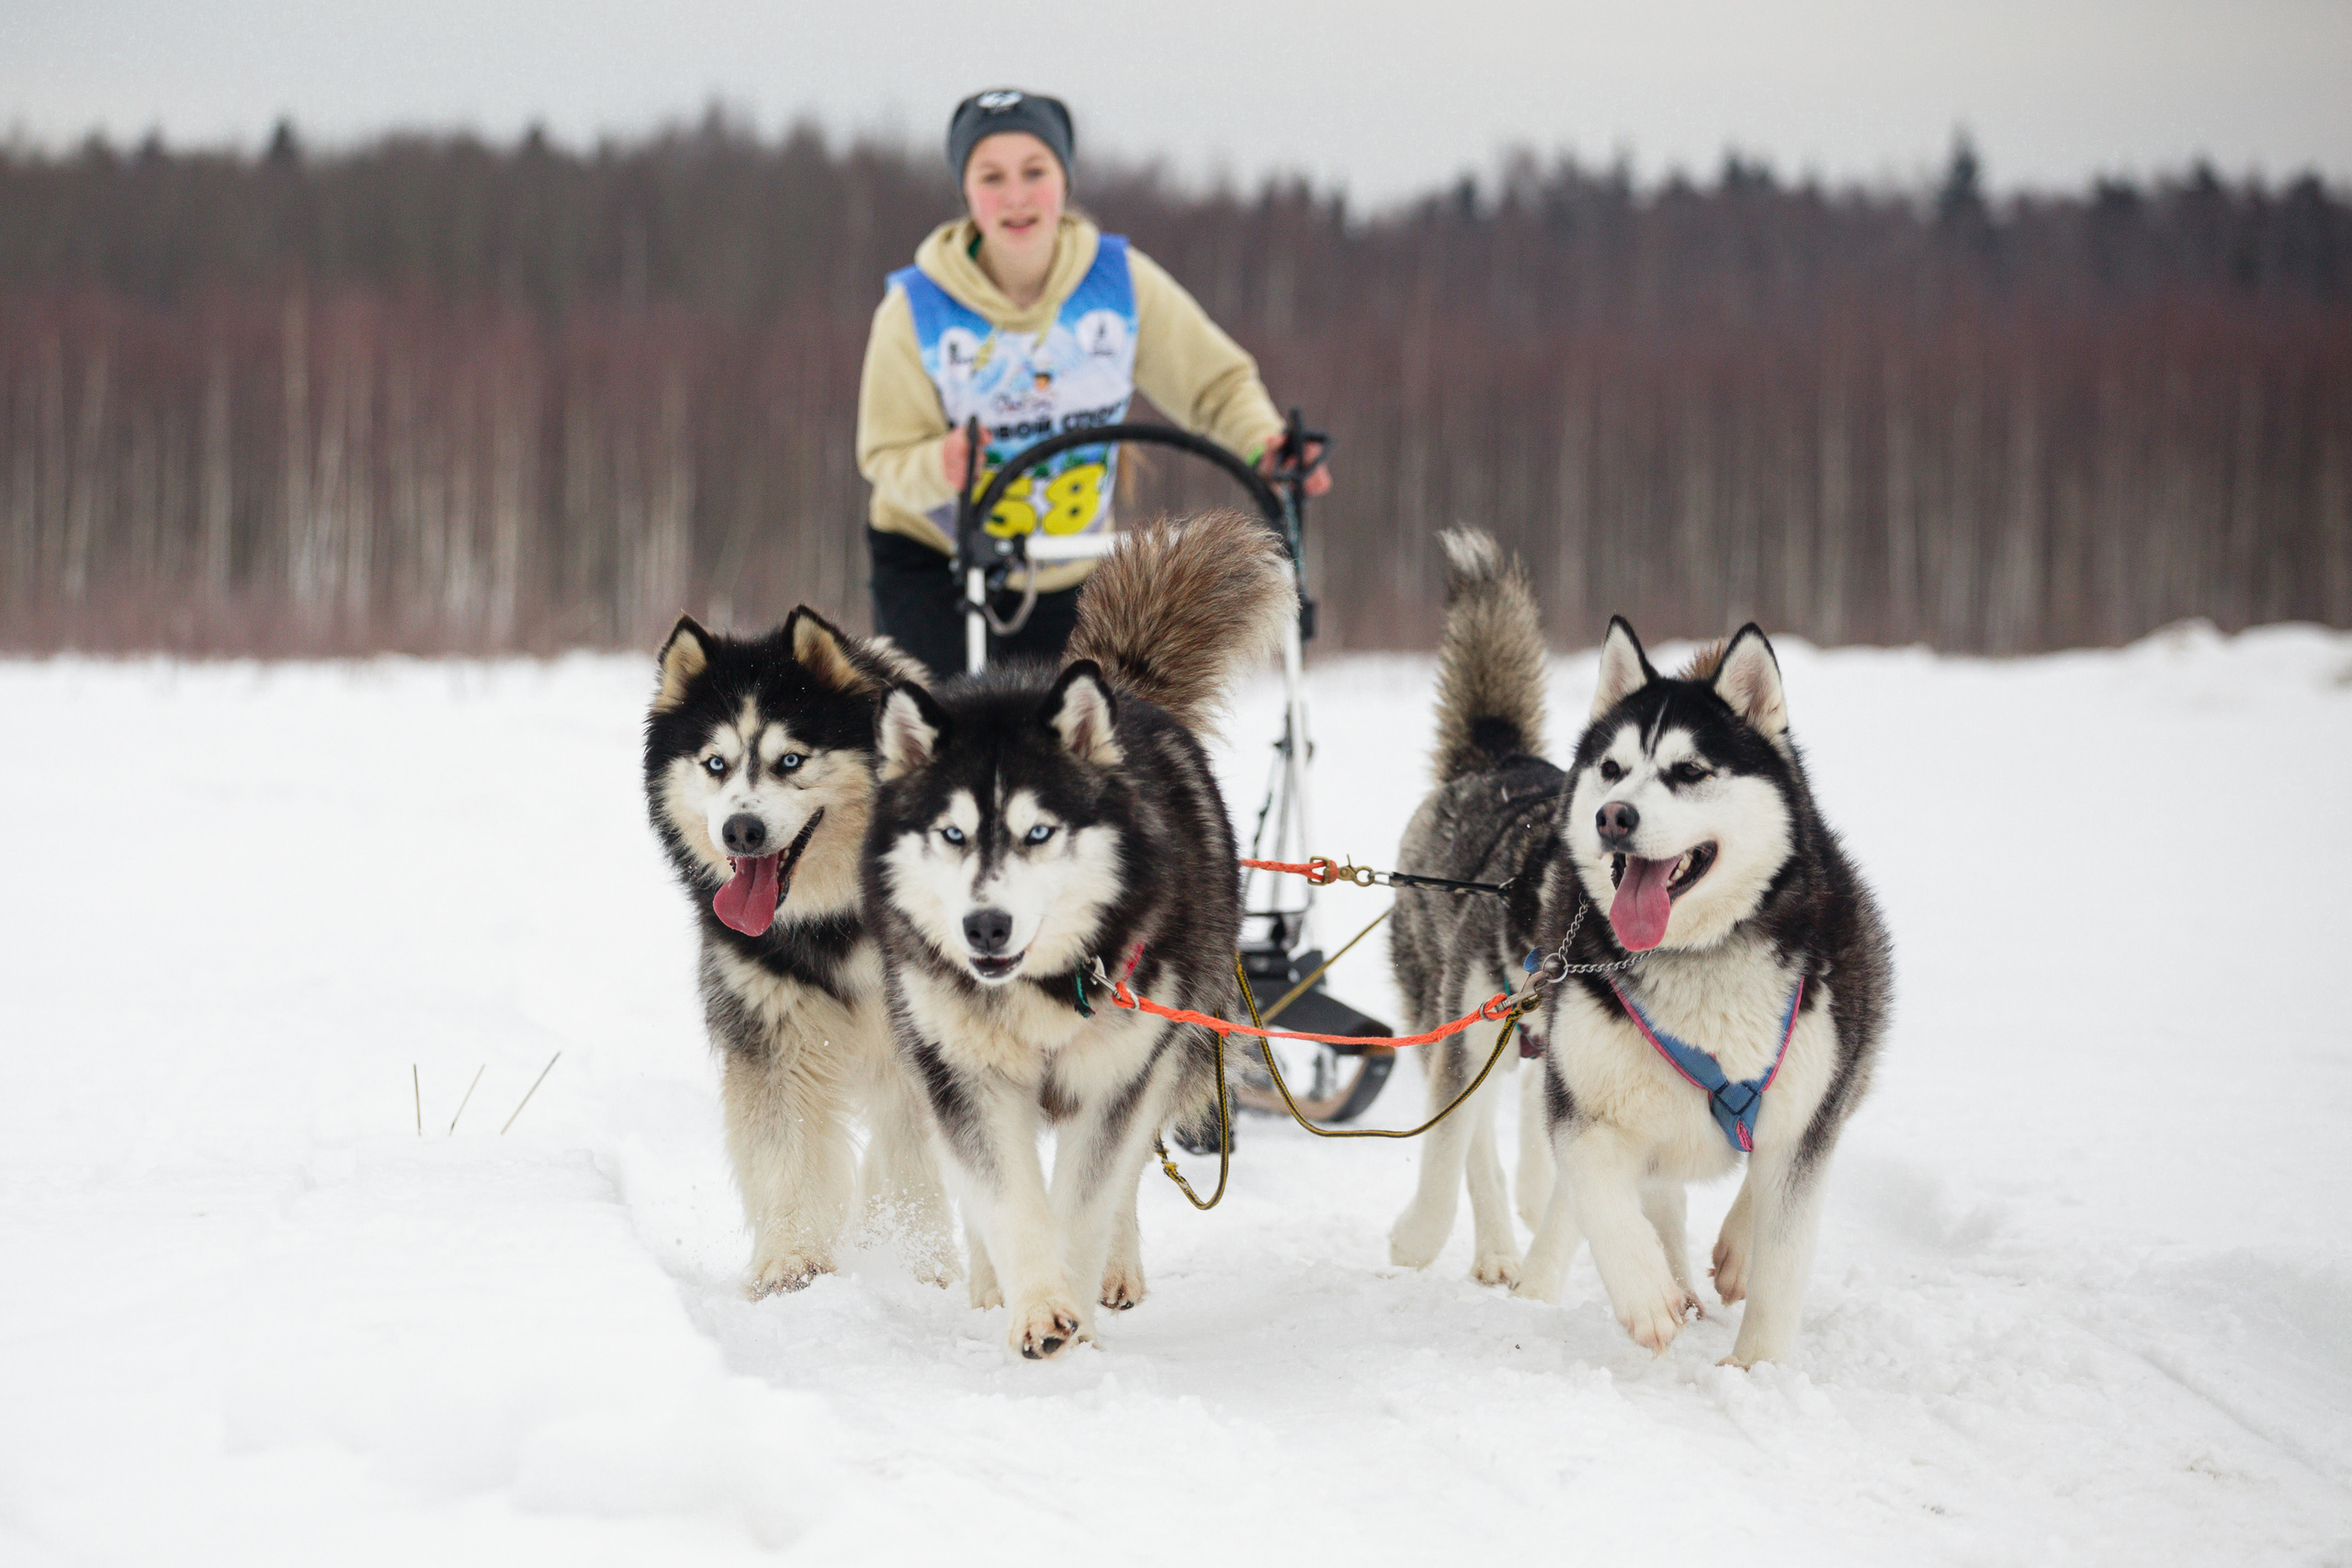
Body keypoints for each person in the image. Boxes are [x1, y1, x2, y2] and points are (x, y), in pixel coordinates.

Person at [856, 87, 1330, 679]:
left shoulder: (1119, 285)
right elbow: (884, 456)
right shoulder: (915, 309)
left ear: (1065, 179)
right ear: (966, 191)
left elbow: (1214, 384)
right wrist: (940, 466)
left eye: (1035, 171)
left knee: (1073, 746)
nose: (1016, 196)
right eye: (992, 177)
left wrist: (1265, 442)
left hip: (1069, 564)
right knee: (943, 741)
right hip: (934, 559)